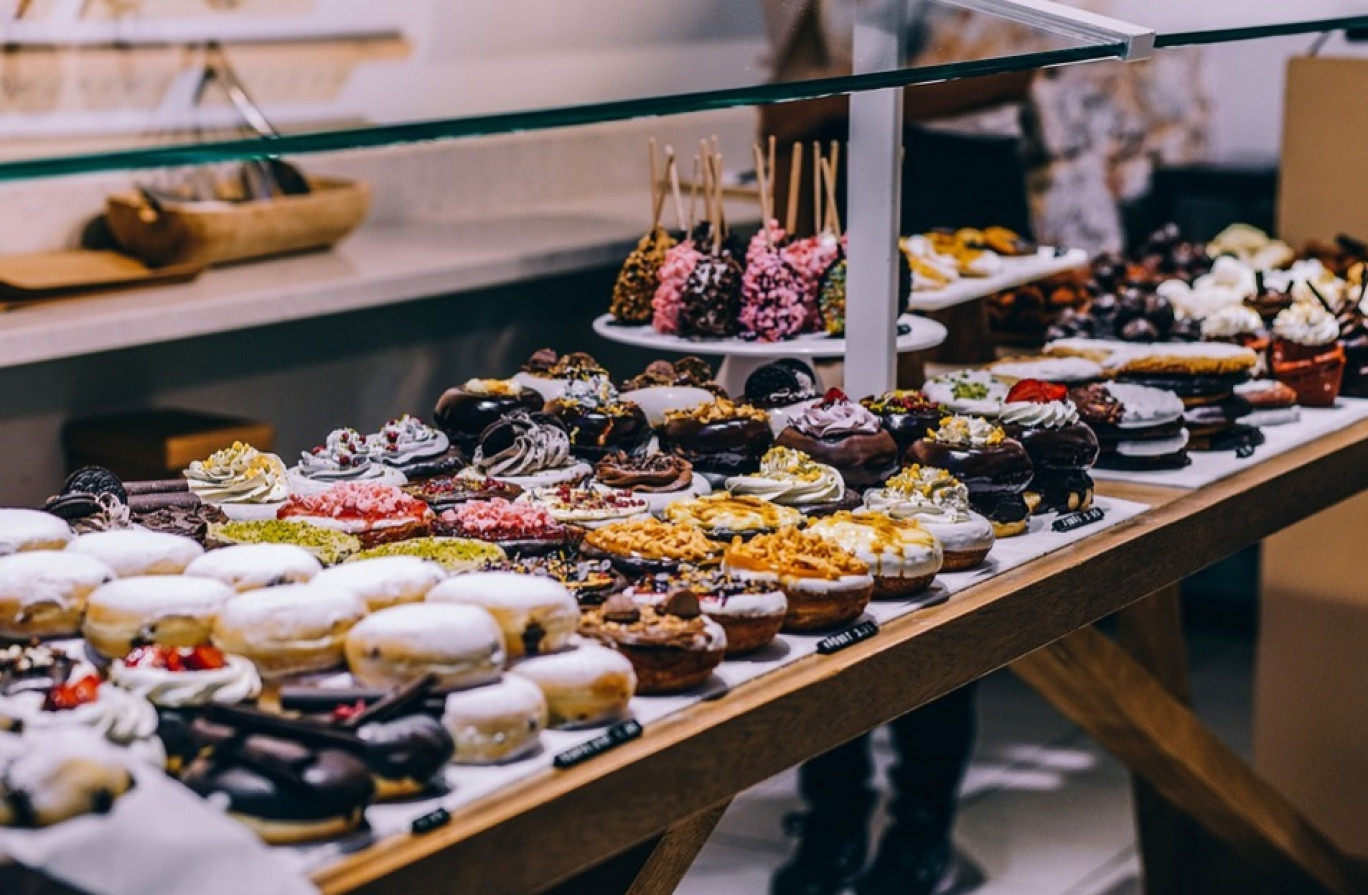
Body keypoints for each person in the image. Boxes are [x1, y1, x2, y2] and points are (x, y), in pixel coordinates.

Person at [756, 3, 1208, 894]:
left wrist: (838, 106)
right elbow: (785, 80)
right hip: (842, 178)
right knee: (830, 502)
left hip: (961, 180)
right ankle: (833, 804)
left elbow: (1021, 63)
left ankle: (921, 812)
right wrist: (805, 127)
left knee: (936, 495)